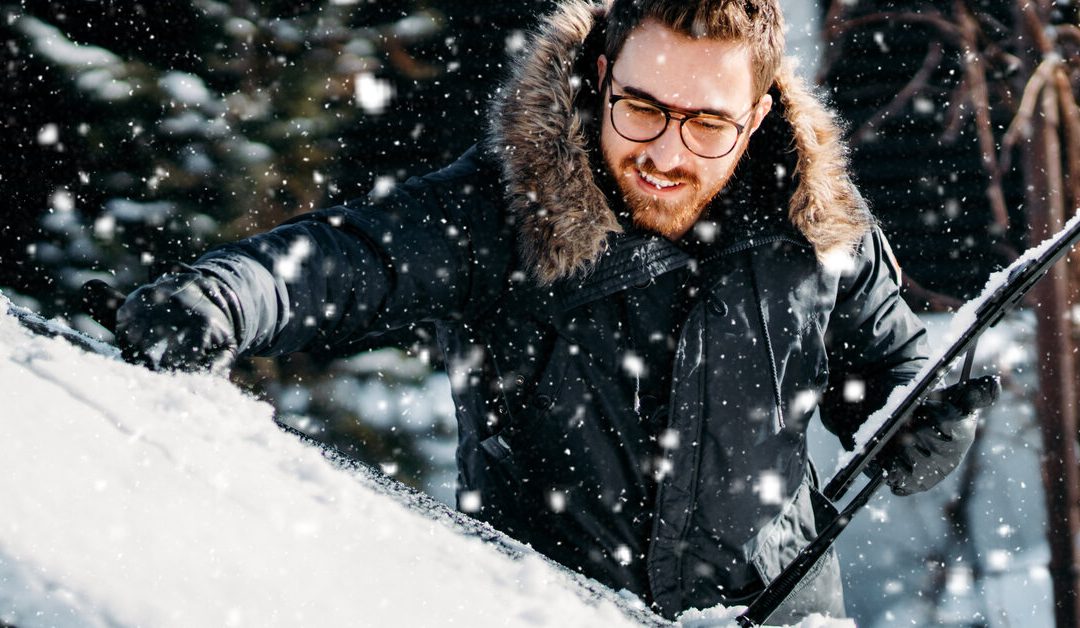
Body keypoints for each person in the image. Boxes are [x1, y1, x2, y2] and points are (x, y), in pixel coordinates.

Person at [114, 0, 998, 622]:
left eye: (706, 123)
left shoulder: (817, 222)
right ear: (601, 76)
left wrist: (926, 426)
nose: (664, 152)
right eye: (643, 108)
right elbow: (351, 257)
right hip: (542, 607)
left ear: (758, 115)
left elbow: (891, 381)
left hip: (777, 614)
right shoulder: (510, 205)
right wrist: (220, 299)